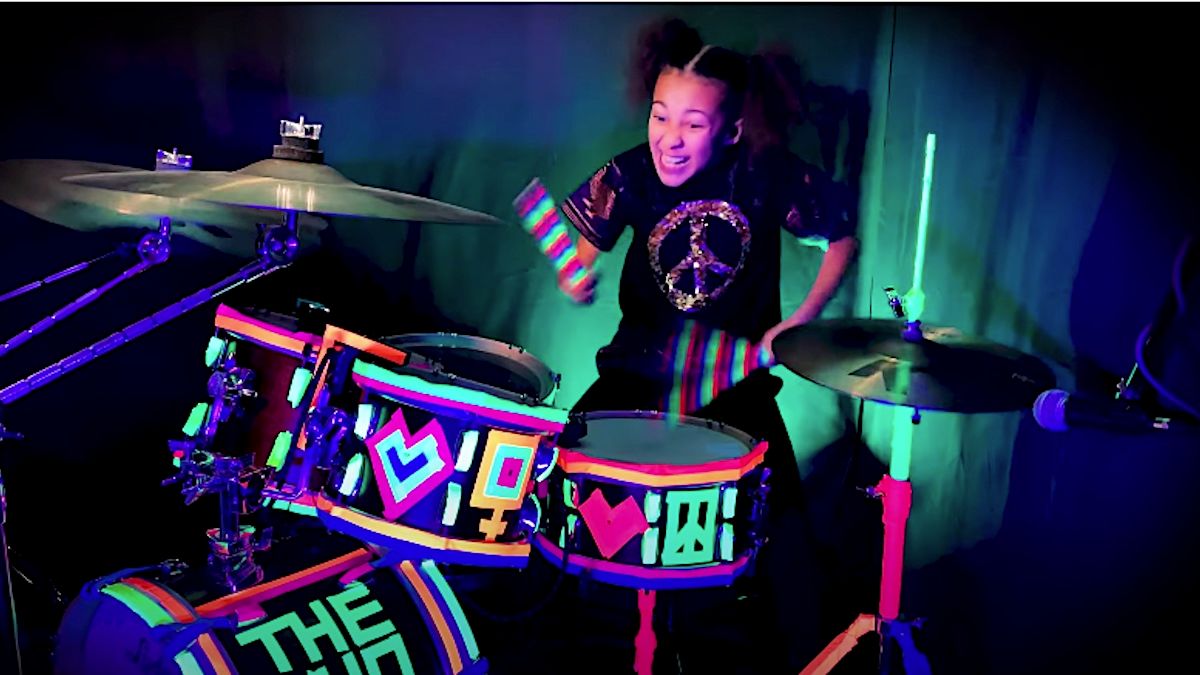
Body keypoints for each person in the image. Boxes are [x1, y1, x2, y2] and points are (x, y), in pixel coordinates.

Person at [514, 17, 860, 674]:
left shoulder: (764, 175)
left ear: (732, 129)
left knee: (783, 545)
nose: (669, 138)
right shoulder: (630, 174)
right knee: (556, 502)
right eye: (660, 115)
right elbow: (579, 261)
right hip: (633, 378)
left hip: (734, 389)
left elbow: (841, 238)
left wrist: (799, 322)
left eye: (693, 124)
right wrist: (574, 277)